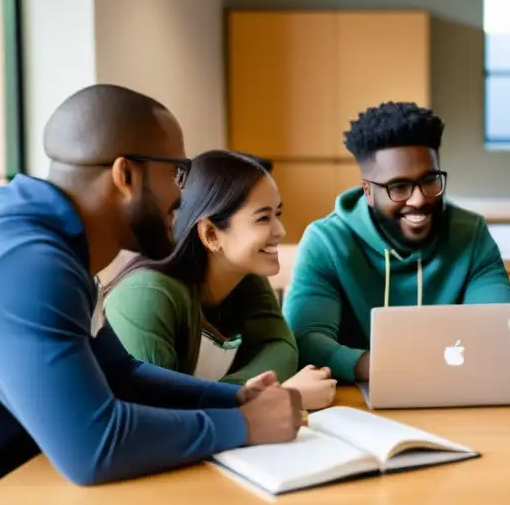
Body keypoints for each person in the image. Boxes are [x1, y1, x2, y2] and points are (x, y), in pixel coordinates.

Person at [0, 85, 304, 490]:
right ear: (126, 175)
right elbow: (94, 447)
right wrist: (244, 425)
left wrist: (232, 401)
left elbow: (123, 373)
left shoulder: (62, 249)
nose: (183, 195)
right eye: (176, 173)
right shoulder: (29, 267)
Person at [283, 101, 510, 384]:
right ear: (368, 191)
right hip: (357, 399)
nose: (419, 199)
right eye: (399, 187)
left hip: (454, 390)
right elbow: (305, 341)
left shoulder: (470, 234)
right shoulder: (327, 241)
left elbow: (499, 328)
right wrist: (386, 368)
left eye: (429, 180)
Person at [102, 150, 336, 410]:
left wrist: (241, 394)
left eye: (277, 214)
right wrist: (273, 397)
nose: (280, 230)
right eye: (263, 218)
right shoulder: (146, 296)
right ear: (211, 234)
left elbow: (281, 348)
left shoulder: (246, 276)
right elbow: (156, 412)